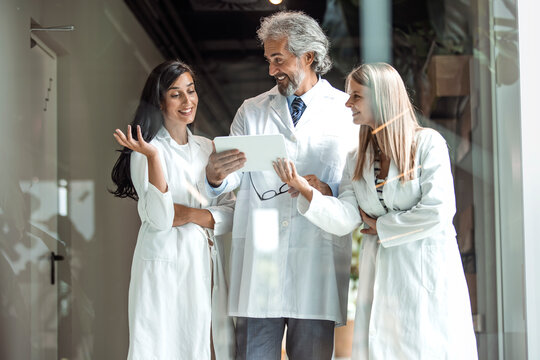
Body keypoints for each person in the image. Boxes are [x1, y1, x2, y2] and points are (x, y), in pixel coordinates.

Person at [273, 62, 478, 359]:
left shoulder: (428, 144)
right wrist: (305, 191)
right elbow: (346, 218)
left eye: (356, 96)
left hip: (424, 276)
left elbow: (438, 211)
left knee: (427, 348)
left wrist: (382, 227)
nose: (348, 103)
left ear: (381, 97)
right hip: (382, 278)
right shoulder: (357, 158)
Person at [204, 11, 358, 360]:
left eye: (278, 59)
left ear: (308, 56)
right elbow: (231, 180)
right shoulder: (252, 110)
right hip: (261, 266)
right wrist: (215, 176)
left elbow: (353, 188)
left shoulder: (345, 112)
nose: (272, 70)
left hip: (316, 265)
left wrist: (327, 190)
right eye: (269, 60)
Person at [110, 60, 236, 360]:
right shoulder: (147, 150)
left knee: (204, 344)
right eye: (176, 93)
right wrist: (154, 158)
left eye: (191, 91)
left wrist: (190, 215)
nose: (187, 101)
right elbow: (161, 218)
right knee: (162, 345)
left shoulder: (207, 148)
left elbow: (231, 212)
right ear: (160, 100)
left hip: (202, 262)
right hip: (164, 267)